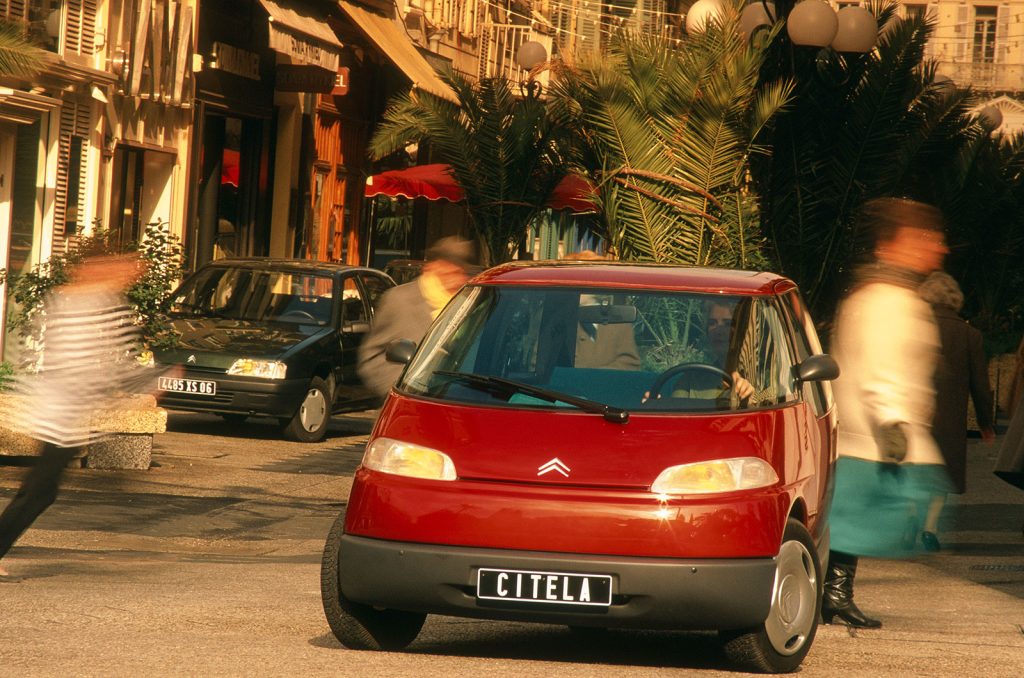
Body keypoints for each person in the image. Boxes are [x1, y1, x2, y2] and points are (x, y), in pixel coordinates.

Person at [825, 197, 952, 628]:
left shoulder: (891, 295)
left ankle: (834, 592)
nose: (938, 248)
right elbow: (880, 367)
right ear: (892, 243)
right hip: (877, 437)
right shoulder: (885, 300)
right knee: (854, 521)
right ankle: (833, 593)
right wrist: (892, 420)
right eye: (925, 238)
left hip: (877, 435)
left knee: (851, 521)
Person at [0, 254, 145, 580]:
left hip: (59, 412)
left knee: (39, 490)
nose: (128, 276)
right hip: (59, 415)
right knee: (39, 491)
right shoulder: (97, 306)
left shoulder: (73, 302)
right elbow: (100, 365)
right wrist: (142, 383)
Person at [918, 271, 996, 551]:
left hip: (915, 412)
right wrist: (986, 423)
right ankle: (929, 527)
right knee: (941, 472)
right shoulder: (969, 335)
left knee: (914, 467)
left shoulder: (917, 327)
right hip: (949, 419)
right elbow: (980, 384)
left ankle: (910, 521)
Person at [357, 237, 474, 397]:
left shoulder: (469, 304)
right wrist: (400, 390)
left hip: (459, 402)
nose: (455, 278)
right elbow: (371, 356)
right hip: (408, 403)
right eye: (449, 271)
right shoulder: (400, 300)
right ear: (433, 267)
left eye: (460, 272)